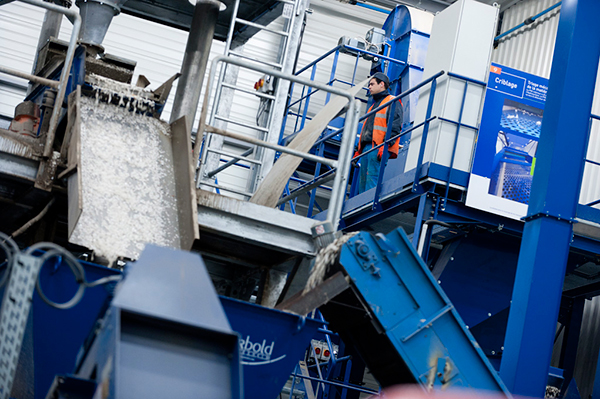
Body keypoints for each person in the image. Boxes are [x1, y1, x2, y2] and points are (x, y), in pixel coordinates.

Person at [354, 72, 403, 193]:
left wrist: (386, 145)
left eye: (372, 84)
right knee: (363, 181)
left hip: (378, 147)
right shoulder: (374, 106)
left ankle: (366, 207)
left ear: (382, 84)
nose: (369, 87)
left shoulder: (392, 101)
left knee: (372, 179)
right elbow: (367, 131)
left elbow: (395, 127)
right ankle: (362, 206)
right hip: (367, 148)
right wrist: (357, 151)